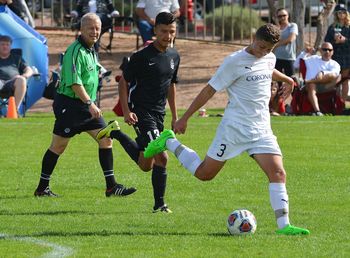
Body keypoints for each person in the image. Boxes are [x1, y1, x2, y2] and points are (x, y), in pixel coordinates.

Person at [143, 24, 310, 235]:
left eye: (268, 49)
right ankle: (169, 141)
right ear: (253, 38)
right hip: (234, 129)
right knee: (204, 174)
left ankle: (284, 226)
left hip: (261, 130)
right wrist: (184, 118)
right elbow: (209, 90)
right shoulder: (234, 61)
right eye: (260, 46)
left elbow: (268, 68)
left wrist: (286, 79)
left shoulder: (269, 58)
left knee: (278, 172)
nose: (263, 52)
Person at [33, 13, 136, 197]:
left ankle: (111, 187)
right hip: (70, 106)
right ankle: (42, 188)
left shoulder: (91, 49)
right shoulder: (75, 51)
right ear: (81, 29)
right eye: (91, 28)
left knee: (106, 139)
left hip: (85, 106)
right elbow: (75, 82)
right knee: (58, 146)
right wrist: (90, 102)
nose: (95, 32)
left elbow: (91, 74)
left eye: (98, 28)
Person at [96, 12, 180, 213]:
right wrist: (126, 111)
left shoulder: (174, 56)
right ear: (155, 30)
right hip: (141, 112)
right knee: (163, 158)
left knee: (145, 165)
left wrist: (176, 116)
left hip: (159, 115)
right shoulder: (142, 56)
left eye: (172, 32)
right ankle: (160, 205)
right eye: (164, 31)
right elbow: (123, 81)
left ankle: (114, 133)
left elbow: (171, 86)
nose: (168, 36)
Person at [294, 42, 341, 116]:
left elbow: (334, 75)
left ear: (332, 52)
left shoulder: (335, 64)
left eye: (329, 50)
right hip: (311, 87)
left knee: (336, 76)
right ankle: (317, 111)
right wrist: (305, 53)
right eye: (325, 49)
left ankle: (309, 81)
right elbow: (296, 64)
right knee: (311, 85)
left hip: (327, 86)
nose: (327, 52)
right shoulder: (313, 59)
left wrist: (322, 73)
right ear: (320, 50)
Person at [0, 35, 33, 112]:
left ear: (10, 47)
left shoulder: (17, 58)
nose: (5, 47)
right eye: (2, 44)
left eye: (7, 45)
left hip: (12, 83)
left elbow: (29, 70)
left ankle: (14, 110)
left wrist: (24, 76)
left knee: (21, 80)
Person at [325, 3, 350, 102]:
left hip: (347, 57)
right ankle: (335, 103)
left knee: (345, 81)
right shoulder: (332, 27)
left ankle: (342, 104)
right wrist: (334, 41)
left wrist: (345, 40)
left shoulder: (349, 27)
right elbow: (326, 42)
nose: (341, 14)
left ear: (346, 13)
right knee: (335, 81)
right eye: (339, 12)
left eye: (343, 12)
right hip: (335, 57)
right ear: (336, 14)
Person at [273, 8, 298, 77]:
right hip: (277, 57)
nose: (282, 17)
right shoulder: (276, 28)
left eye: (284, 15)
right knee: (277, 81)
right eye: (280, 16)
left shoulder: (292, 26)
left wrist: (276, 45)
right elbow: (273, 40)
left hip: (289, 57)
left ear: (288, 15)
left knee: (292, 80)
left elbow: (290, 39)